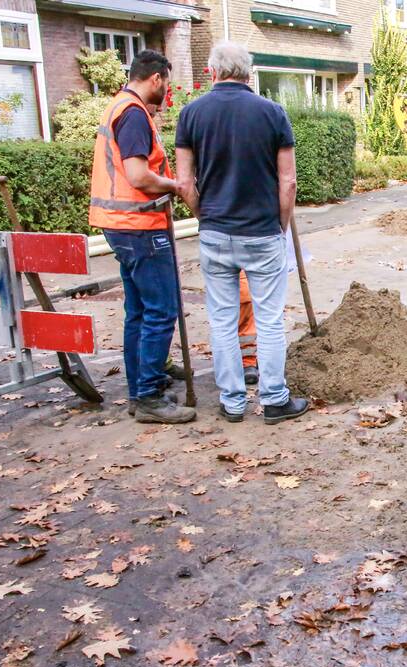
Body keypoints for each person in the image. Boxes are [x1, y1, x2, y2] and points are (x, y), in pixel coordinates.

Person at [175, 41, 308, 424]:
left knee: (221, 319)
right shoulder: (272, 113)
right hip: (262, 231)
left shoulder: (191, 114)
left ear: (212, 73)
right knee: (268, 320)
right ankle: (274, 399)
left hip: (216, 232)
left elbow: (184, 183)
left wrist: (205, 216)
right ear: (249, 74)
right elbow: (289, 182)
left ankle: (232, 402)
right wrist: (279, 226)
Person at [89, 49, 196, 424]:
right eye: (166, 84)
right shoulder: (133, 114)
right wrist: (177, 185)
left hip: (121, 226)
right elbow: (138, 176)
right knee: (160, 310)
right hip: (139, 227)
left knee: (137, 311)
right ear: (156, 78)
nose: (166, 92)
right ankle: (149, 395)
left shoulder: (118, 106)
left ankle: (140, 390)